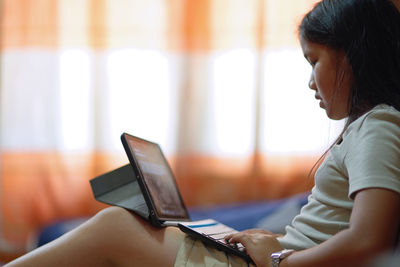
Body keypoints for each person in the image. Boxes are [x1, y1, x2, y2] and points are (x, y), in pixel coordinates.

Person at [4, 0, 400, 266]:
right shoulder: (367, 128)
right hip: (271, 258)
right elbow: (328, 228)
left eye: (313, 61)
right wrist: (275, 241)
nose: (310, 82)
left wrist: (280, 259)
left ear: (353, 53)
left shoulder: (379, 125)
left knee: (117, 227)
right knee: (135, 223)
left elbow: (369, 238)